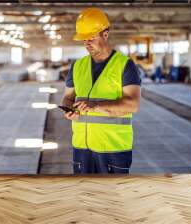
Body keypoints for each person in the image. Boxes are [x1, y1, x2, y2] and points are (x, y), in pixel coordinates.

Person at [61, 7, 141, 174]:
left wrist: (95, 106)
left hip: (113, 149)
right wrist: (69, 110)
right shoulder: (77, 66)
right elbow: (68, 97)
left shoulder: (125, 65)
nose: (87, 44)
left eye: (91, 38)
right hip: (81, 148)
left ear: (105, 34)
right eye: (84, 40)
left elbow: (133, 105)